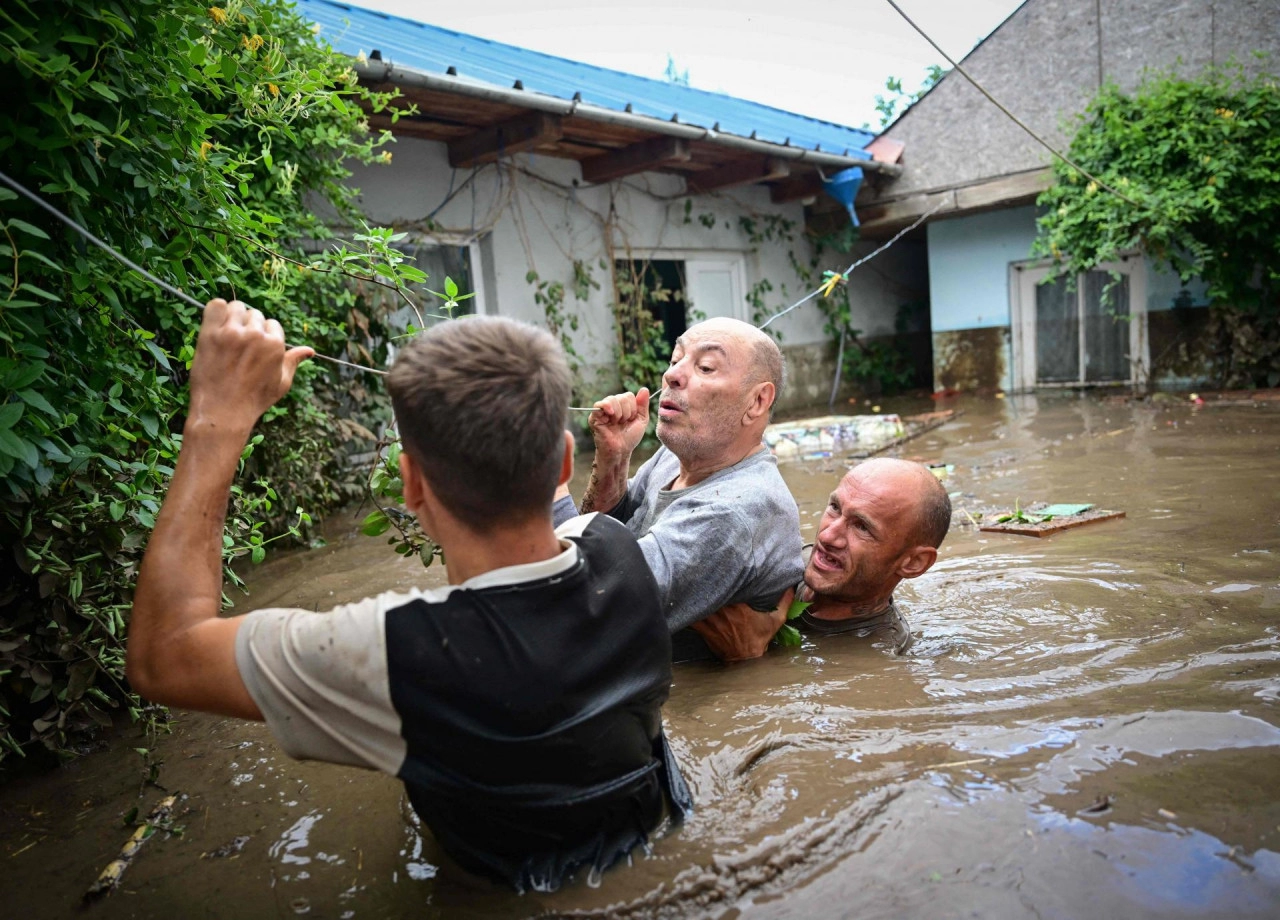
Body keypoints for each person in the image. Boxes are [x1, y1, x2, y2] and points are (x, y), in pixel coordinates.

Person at [126, 301, 690, 893]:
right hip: (655, 837)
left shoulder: (395, 650)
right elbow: (569, 529)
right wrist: (614, 457)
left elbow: (164, 654)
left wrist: (216, 420)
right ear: (565, 462)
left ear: (411, 484)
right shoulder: (621, 550)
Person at [553, 317, 804, 661]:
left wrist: (547, 481)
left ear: (758, 401)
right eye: (675, 360)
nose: (671, 375)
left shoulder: (735, 510)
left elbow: (581, 605)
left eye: (705, 367)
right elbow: (610, 535)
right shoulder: (676, 457)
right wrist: (614, 460)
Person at [692, 458, 952, 660]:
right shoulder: (781, 558)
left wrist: (745, 658)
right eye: (835, 508)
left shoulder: (877, 659)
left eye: (862, 527)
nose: (827, 536)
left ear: (913, 563)